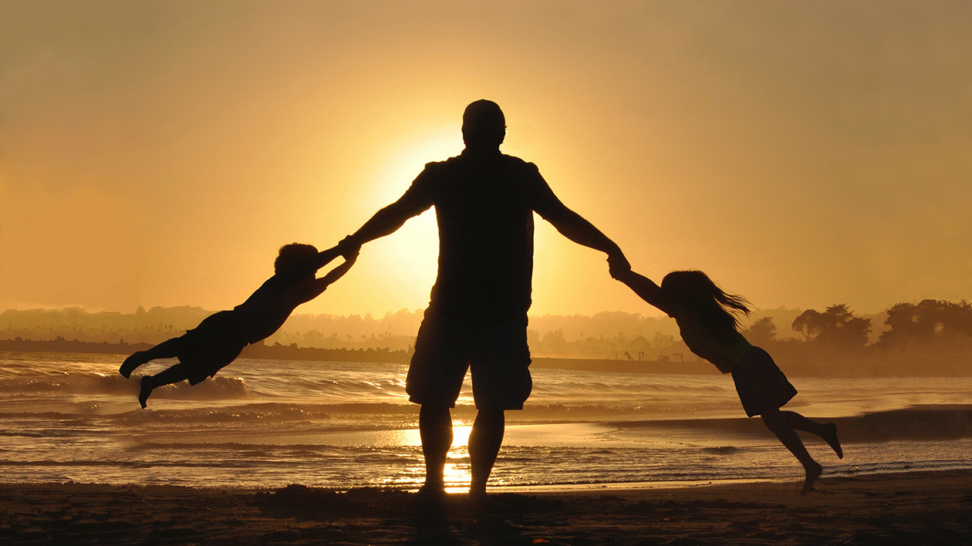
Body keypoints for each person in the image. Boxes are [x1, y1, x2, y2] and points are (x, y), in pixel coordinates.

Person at [337, 100, 628, 498]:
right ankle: (475, 490)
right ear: (502, 133)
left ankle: (435, 485)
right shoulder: (519, 176)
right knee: (489, 405)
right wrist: (609, 246)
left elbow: (397, 214)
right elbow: (562, 218)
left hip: (454, 309)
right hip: (500, 312)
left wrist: (355, 241)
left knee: (436, 399)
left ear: (463, 133)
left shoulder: (446, 176)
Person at [612, 267, 842, 495]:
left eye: (668, 291)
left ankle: (811, 462)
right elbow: (654, 294)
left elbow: (650, 292)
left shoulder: (688, 312)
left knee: (772, 419)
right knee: (773, 418)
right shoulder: (701, 311)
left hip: (748, 365)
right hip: (751, 362)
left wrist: (625, 275)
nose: (664, 296)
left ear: (677, 294)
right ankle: (821, 433)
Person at [119, 243, 358, 408]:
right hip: (228, 324)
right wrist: (340, 250)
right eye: (311, 269)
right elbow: (311, 266)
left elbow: (330, 278)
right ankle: (142, 357)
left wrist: (351, 258)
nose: (315, 274)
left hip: (238, 341)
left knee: (197, 369)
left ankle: (151, 382)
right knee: (184, 346)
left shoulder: (300, 294)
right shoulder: (280, 281)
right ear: (298, 267)